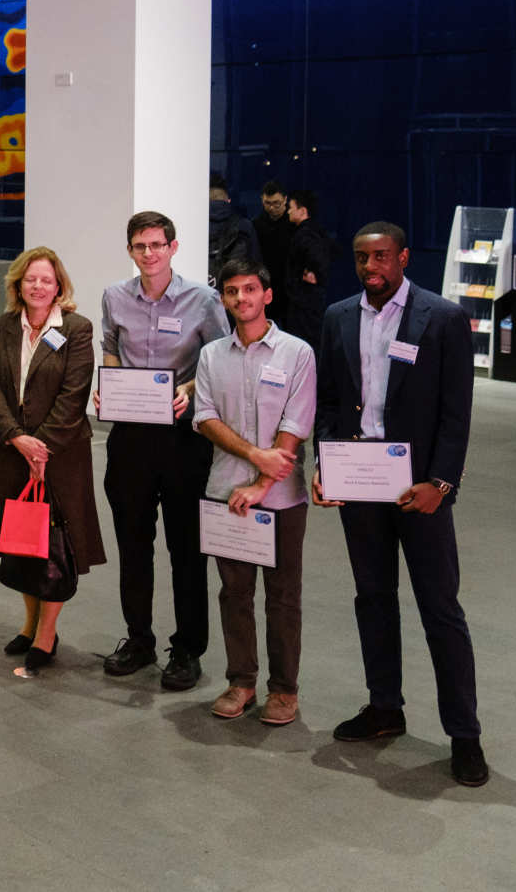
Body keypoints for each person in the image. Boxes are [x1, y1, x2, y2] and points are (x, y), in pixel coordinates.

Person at [312, 222, 487, 787]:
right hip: (361, 485)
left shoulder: (444, 319)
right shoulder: (339, 316)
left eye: (382, 257)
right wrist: (325, 463)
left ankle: (464, 735)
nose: (372, 268)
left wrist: (442, 482)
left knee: (441, 610)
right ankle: (385, 707)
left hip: (421, 492)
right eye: (363, 259)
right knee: (373, 599)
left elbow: (456, 415)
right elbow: (331, 404)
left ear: (404, 257)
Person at [99, 210, 231, 692]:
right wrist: (109, 383)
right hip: (131, 438)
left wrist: (191, 390)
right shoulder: (115, 296)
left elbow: (219, 360)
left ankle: (188, 648)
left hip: (183, 439)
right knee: (133, 547)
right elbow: (111, 345)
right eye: (140, 246)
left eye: (157, 245)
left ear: (173, 248)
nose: (149, 254)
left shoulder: (204, 299)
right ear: (131, 250)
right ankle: (138, 638)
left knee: (186, 549)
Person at [193, 259, 315, 726]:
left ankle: (284, 690)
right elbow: (203, 417)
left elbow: (297, 422)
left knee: (283, 596)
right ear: (222, 298)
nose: (240, 299)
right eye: (231, 291)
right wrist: (253, 457)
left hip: (281, 498)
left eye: (249, 290)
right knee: (234, 593)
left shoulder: (297, 353)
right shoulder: (211, 356)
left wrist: (265, 479)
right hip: (226, 493)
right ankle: (241, 681)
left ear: (267, 295)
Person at [0, 247, 104, 677]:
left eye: (46, 280)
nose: (38, 286)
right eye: (30, 279)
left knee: (55, 547)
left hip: (60, 457)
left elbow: (74, 394)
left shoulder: (77, 329)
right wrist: (16, 437)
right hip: (12, 453)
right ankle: (28, 624)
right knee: (21, 541)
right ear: (18, 284)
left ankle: (47, 633)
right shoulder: (2, 327)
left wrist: (41, 446)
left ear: (59, 286)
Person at [283, 189, 334, 351]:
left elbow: (319, 260)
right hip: (307, 300)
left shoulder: (305, 234)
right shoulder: (313, 231)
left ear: (303, 210)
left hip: (304, 302)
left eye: (291, 207)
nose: (288, 211)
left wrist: (316, 274)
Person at [208, 175, 261, 280]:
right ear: (228, 200)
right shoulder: (244, 226)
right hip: (235, 289)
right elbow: (256, 265)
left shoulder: (195, 227)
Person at [253, 181, 291, 322]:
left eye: (277, 203)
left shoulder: (293, 223)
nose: (272, 208)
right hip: (266, 281)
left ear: (285, 200)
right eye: (267, 203)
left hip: (289, 286)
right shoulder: (256, 224)